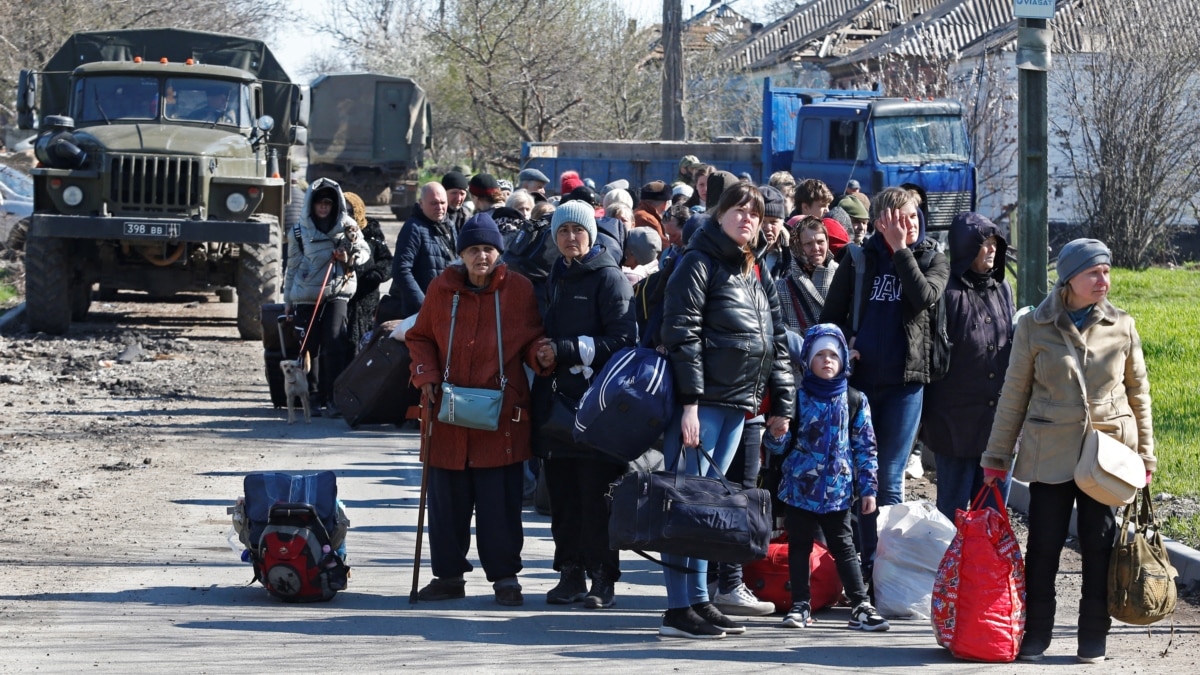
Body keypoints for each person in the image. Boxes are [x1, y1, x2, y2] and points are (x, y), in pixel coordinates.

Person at [981, 238, 1154, 664]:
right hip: (1050, 450)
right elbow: (1013, 395)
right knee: (1043, 545)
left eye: (1107, 271)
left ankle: (1093, 634)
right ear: (1070, 278)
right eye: (1094, 272)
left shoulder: (1122, 325)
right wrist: (997, 457)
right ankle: (1036, 633)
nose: (1104, 280)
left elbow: (1139, 394)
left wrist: (1146, 456)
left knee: (1100, 543)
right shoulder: (1034, 326)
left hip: (1108, 454)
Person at [658, 181, 795, 639]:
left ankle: (700, 600)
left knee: (708, 508)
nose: (747, 218)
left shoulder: (754, 269)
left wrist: (782, 402)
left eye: (754, 213)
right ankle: (679, 609)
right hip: (704, 405)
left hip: (740, 404)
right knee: (687, 506)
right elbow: (682, 333)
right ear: (719, 215)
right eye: (737, 209)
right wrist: (690, 404)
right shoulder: (699, 262)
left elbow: (774, 340)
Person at [406, 213, 551, 607]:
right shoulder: (443, 288)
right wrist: (426, 376)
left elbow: (531, 338)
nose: (481, 257)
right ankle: (449, 577)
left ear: (498, 253)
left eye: (488, 249)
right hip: (447, 415)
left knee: (499, 505)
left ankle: (505, 579)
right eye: (473, 250)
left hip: (500, 415)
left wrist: (542, 355)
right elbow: (419, 337)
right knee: (447, 502)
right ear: (462, 254)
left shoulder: (517, 289)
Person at [817, 186, 949, 587]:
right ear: (879, 223)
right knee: (856, 475)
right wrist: (845, 344)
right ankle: (852, 565)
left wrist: (901, 250)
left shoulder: (932, 257)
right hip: (860, 386)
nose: (908, 225)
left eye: (912, 217)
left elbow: (923, 296)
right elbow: (830, 318)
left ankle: (882, 572)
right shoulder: (858, 260)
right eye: (898, 219)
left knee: (889, 478)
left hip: (905, 386)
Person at [531, 199, 637, 610]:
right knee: (563, 497)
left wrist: (566, 350)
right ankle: (570, 572)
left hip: (598, 408)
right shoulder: (558, 272)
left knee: (597, 497)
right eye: (562, 232)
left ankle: (603, 578)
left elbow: (625, 341)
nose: (570, 238)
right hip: (559, 406)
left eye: (577, 231)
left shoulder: (610, 277)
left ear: (590, 234)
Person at [765, 324, 889, 632]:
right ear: (807, 359)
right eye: (819, 355)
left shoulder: (854, 400)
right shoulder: (796, 398)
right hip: (798, 488)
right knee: (799, 546)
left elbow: (866, 446)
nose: (827, 361)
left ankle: (860, 604)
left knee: (845, 547)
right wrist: (776, 434)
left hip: (838, 490)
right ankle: (800, 604)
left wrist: (869, 488)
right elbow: (776, 446)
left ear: (844, 359)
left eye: (833, 355)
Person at [921, 213, 1015, 521]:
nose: (991, 250)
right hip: (954, 422)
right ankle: (950, 568)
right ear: (964, 249)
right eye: (983, 244)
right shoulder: (946, 293)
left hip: (996, 422)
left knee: (993, 513)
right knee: (953, 511)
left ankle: (986, 570)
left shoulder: (1002, 289)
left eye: (994, 244)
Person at [283, 178, 371, 417]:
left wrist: (348, 257)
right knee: (308, 347)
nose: (323, 207)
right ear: (311, 204)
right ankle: (310, 395)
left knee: (334, 343)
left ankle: (333, 397)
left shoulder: (348, 227)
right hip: (306, 295)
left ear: (335, 204)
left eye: (328, 203)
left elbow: (364, 252)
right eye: (319, 202)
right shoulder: (299, 231)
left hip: (337, 292)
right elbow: (291, 267)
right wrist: (288, 301)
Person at [390, 182, 455, 319]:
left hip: (446, 308)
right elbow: (401, 270)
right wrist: (424, 304)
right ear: (421, 203)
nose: (440, 208)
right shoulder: (413, 228)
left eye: (443, 203)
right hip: (420, 313)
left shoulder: (449, 225)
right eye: (434, 203)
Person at [342, 192, 393, 350]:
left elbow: (387, 260)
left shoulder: (371, 232)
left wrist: (376, 275)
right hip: (342, 301)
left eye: (350, 211)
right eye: (342, 212)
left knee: (366, 347)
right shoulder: (334, 233)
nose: (347, 216)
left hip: (367, 301)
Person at [777, 216, 839, 332]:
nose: (816, 248)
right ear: (797, 247)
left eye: (820, 242)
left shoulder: (843, 277)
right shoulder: (782, 288)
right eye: (808, 244)